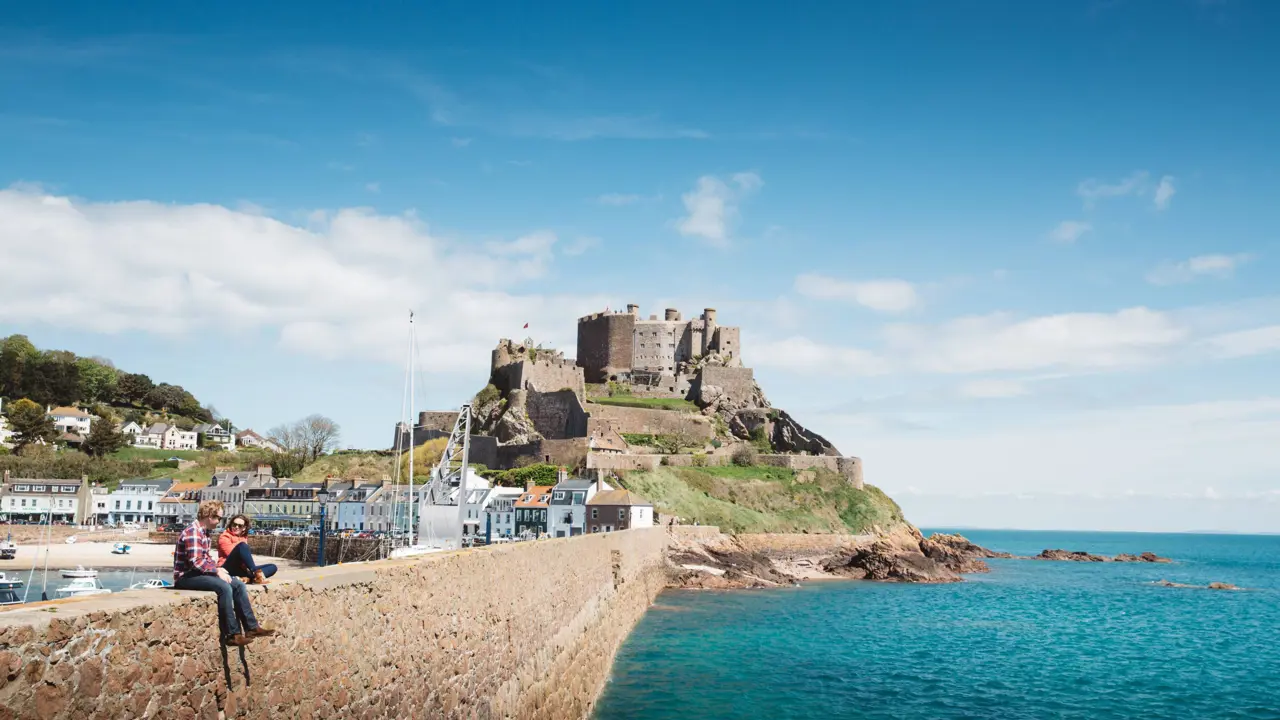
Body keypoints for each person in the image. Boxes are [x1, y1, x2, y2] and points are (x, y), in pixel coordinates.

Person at [174, 500, 276, 646]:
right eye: (219, 518)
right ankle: (232, 634)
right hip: (185, 577)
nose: (219, 522)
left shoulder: (204, 533)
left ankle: (251, 627)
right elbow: (196, 562)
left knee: (238, 585)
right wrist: (216, 571)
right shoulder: (193, 532)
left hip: (199, 574)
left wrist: (219, 569)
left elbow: (206, 558)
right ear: (209, 516)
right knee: (224, 587)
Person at [218, 514, 276, 585]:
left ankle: (248, 578)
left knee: (272, 567)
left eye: (240, 526)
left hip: (242, 569)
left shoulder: (243, 537)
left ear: (244, 528)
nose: (236, 527)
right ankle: (255, 575)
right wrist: (250, 567)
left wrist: (248, 567)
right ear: (231, 524)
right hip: (227, 567)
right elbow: (231, 554)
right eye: (234, 524)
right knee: (242, 546)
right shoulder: (224, 537)